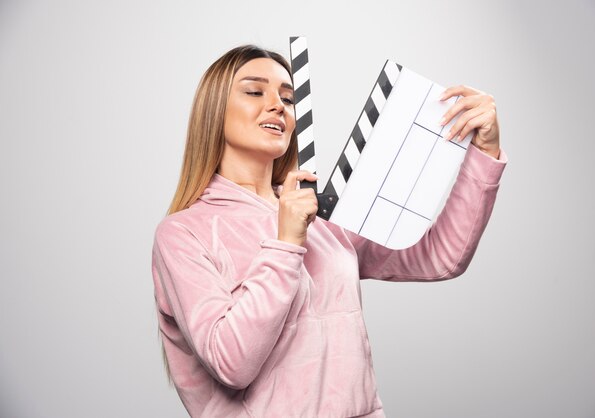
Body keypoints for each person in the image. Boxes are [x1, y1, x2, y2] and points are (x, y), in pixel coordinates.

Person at [151, 44, 506, 418]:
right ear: (214, 112)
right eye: (255, 91)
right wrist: (287, 242)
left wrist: (484, 153)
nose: (276, 105)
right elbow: (232, 363)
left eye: (287, 98)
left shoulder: (321, 215)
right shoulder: (182, 235)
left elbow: (439, 258)